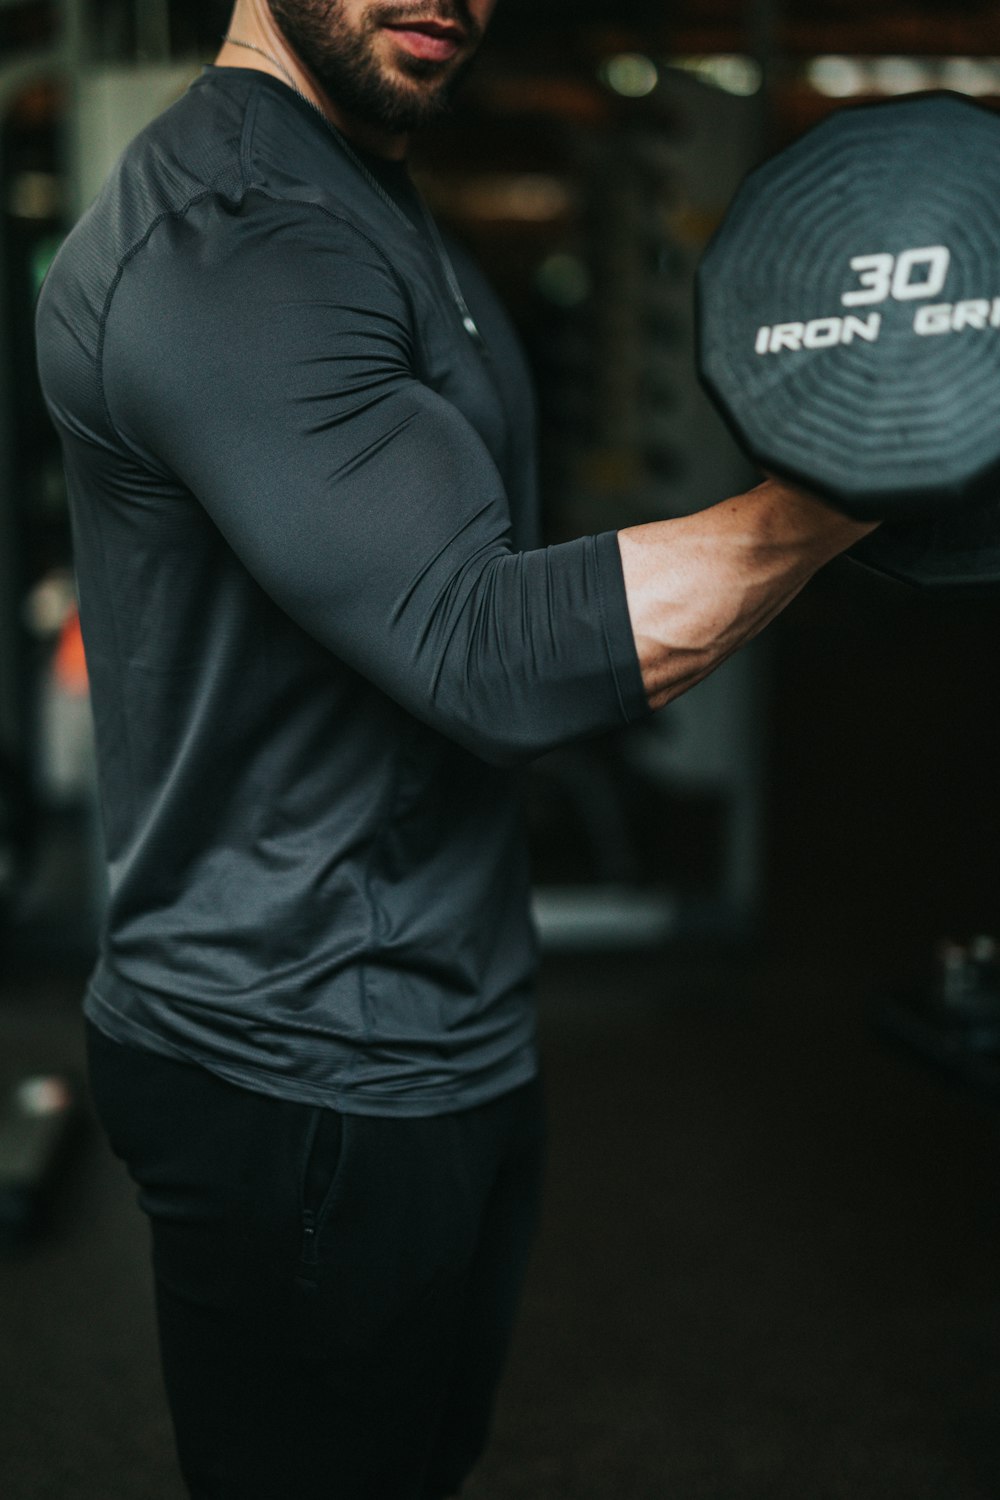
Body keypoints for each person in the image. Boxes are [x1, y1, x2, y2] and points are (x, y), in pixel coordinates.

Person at [35, 2, 875, 1496]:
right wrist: (878, 465)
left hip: (431, 1021)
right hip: (302, 1059)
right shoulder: (238, 234)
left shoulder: (356, 178)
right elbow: (487, 650)